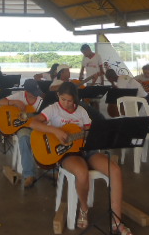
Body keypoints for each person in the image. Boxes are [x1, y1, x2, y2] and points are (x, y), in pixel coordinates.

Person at [29, 82, 131, 235]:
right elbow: (32, 122)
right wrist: (55, 131)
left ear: (75, 99)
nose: (66, 103)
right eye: (63, 99)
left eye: (69, 100)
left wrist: (101, 134)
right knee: (82, 173)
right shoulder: (53, 109)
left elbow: (89, 132)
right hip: (67, 153)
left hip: (87, 149)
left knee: (115, 170)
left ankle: (116, 221)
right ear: (58, 96)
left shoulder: (82, 111)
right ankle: (84, 208)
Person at [0, 79, 44, 188]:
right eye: (33, 92)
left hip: (38, 126)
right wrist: (14, 102)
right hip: (23, 127)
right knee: (24, 138)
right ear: (26, 92)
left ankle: (50, 165)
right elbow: (0, 102)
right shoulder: (19, 95)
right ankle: (29, 175)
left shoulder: (41, 100)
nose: (36, 95)